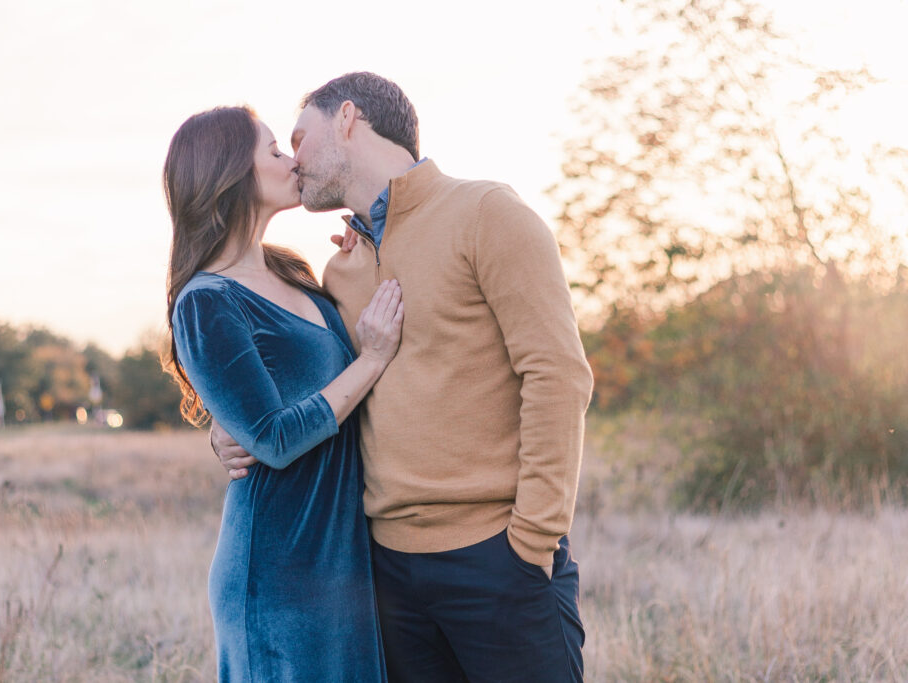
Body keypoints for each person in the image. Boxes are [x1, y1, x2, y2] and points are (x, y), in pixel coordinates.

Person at [213, 72, 595, 682]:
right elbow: (309, 387)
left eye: (299, 138)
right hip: (385, 572)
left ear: (347, 118)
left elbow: (557, 376)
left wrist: (532, 540)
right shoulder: (339, 270)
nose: (294, 160)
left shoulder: (486, 213)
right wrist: (228, 426)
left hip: (497, 558)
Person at [162, 105, 404, 682]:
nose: (292, 160)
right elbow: (271, 437)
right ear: (230, 175)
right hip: (279, 572)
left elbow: (308, 385)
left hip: (341, 563)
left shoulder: (292, 271)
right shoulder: (206, 301)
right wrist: (371, 359)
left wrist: (365, 255)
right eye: (273, 150)